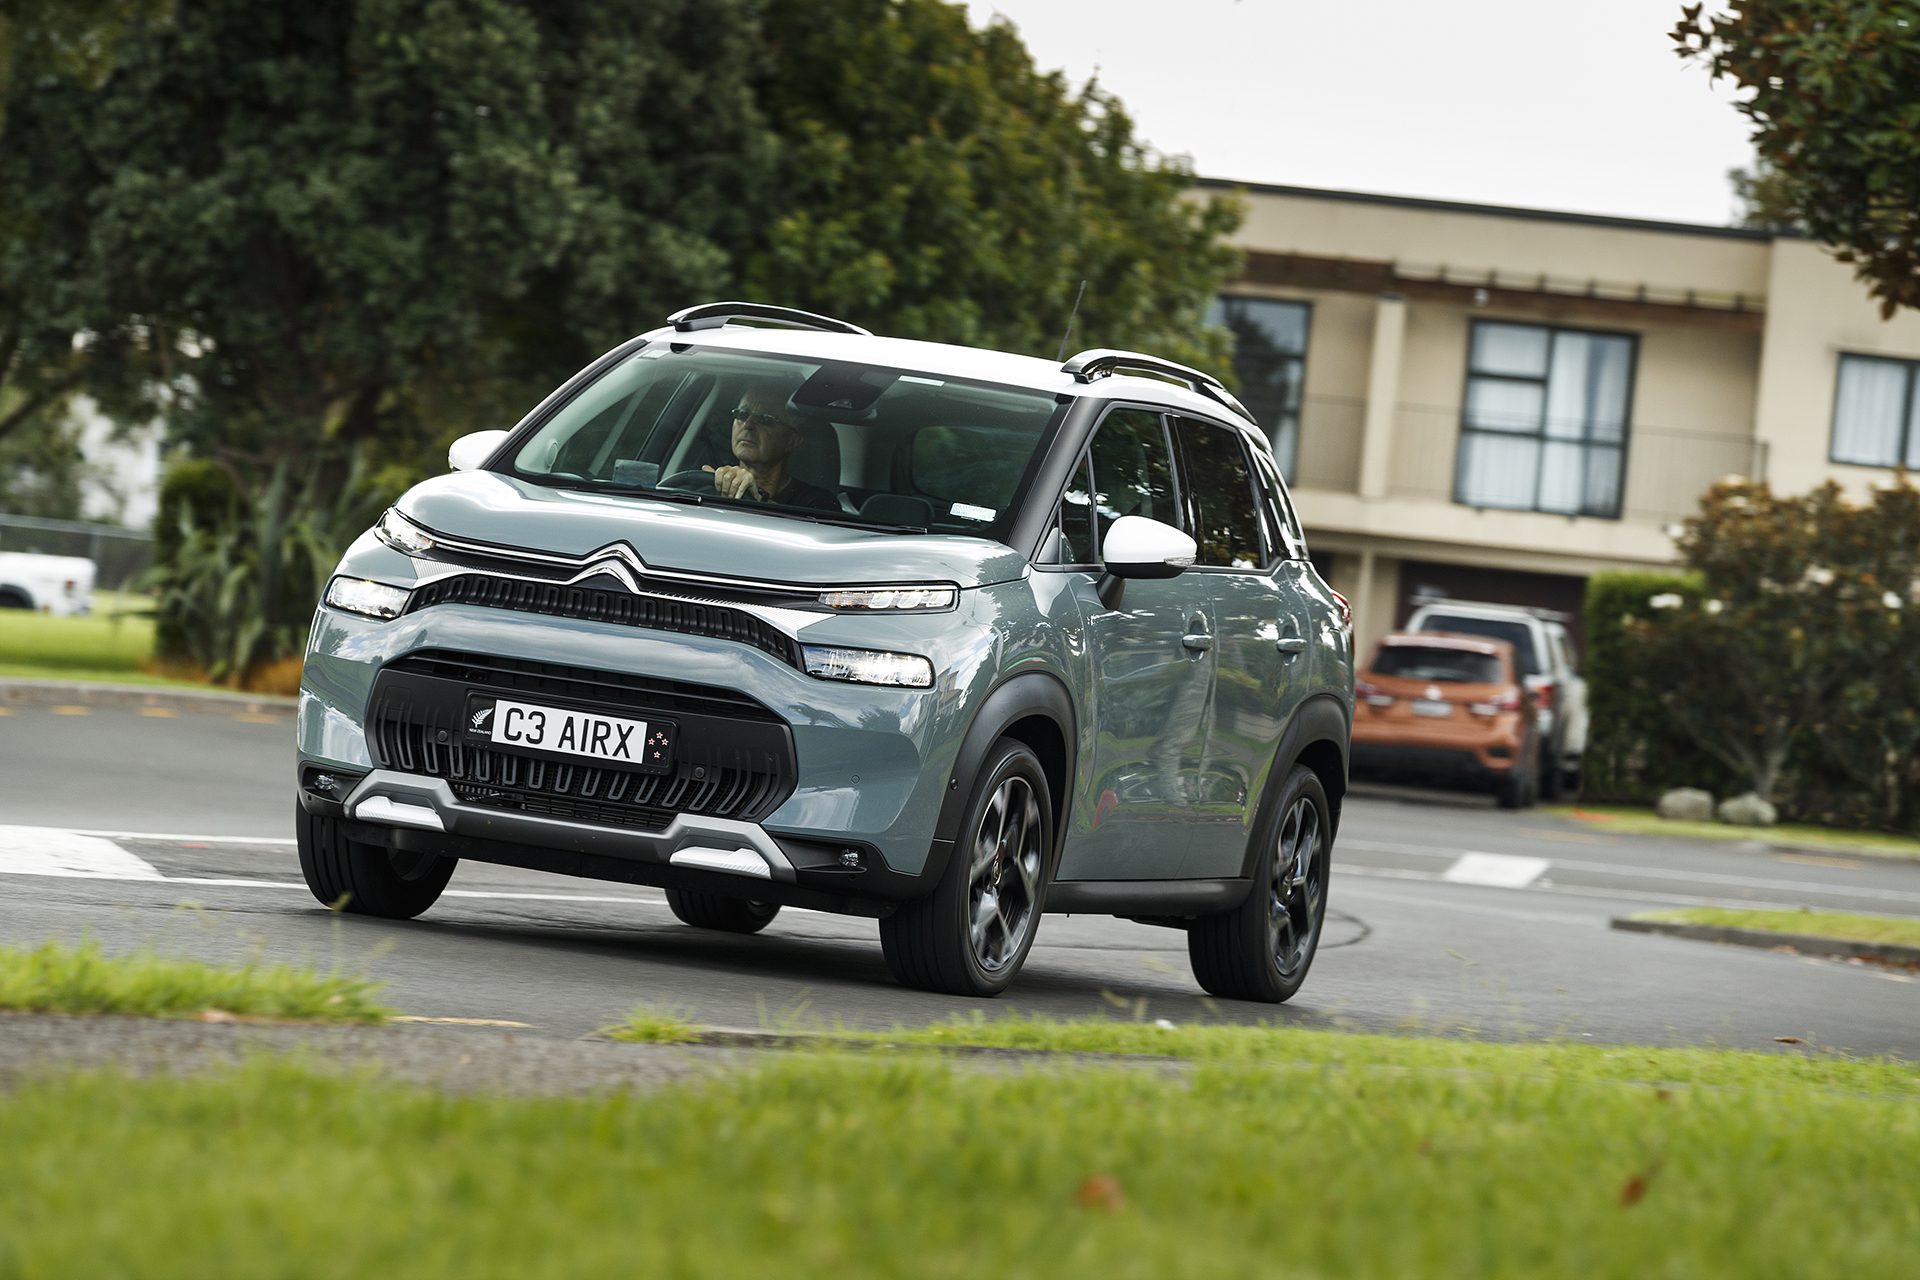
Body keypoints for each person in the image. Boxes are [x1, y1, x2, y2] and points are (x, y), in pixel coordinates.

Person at [703, 385, 839, 510]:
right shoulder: (708, 484)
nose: (748, 425)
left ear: (792, 441)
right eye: (742, 414)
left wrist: (756, 498)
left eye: (765, 419)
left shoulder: (817, 503)